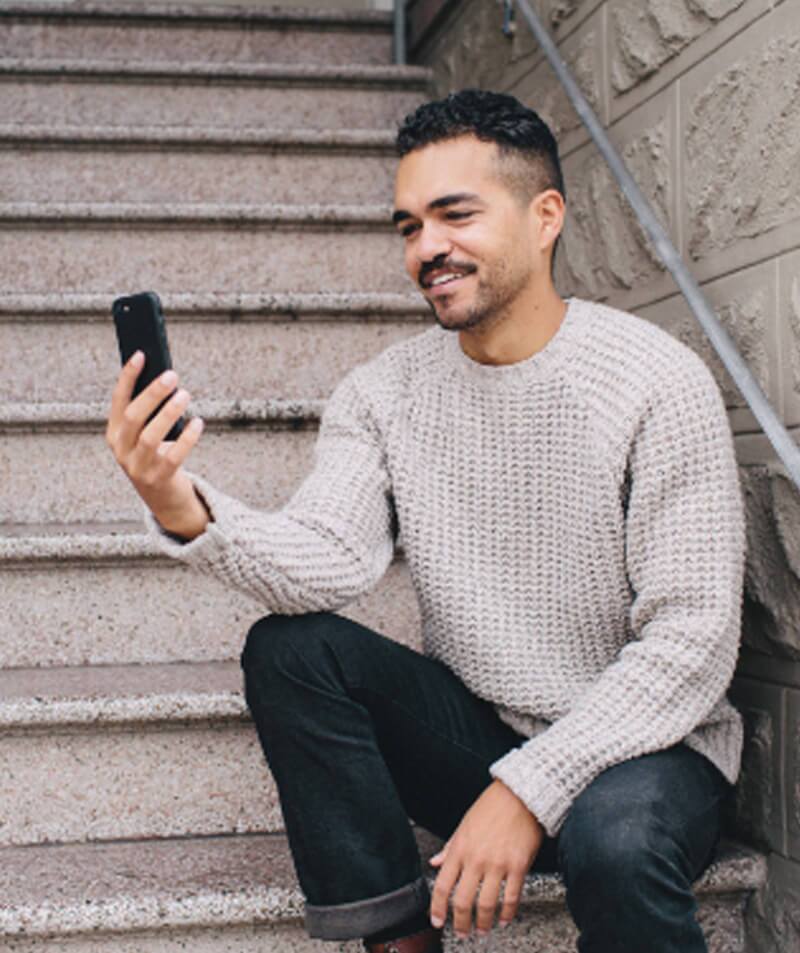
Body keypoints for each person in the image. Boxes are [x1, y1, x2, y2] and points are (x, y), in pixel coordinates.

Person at [106, 89, 745, 953]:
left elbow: (692, 641)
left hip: (651, 750)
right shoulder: (382, 393)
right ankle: (400, 942)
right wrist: (176, 502)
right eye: (409, 226)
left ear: (545, 216)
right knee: (292, 652)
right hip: (484, 734)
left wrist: (527, 789)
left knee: (616, 841)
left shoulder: (655, 382)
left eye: (455, 215)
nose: (427, 248)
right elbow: (326, 557)